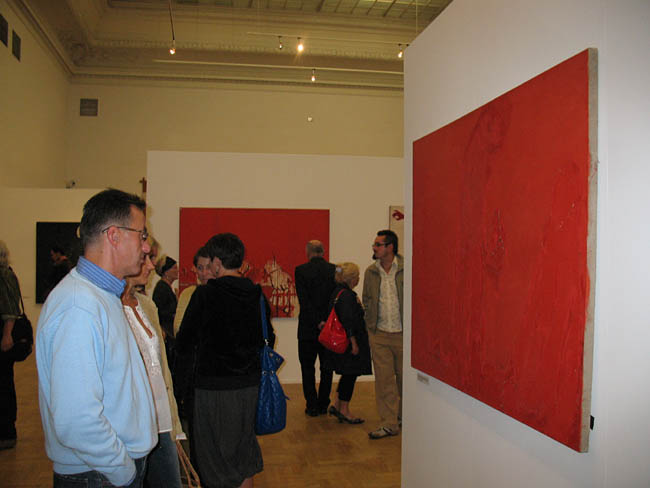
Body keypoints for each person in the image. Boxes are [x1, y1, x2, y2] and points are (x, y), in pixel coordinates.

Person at [36, 188, 157, 487]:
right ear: (114, 236)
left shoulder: (101, 295)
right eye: (142, 235)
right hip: (98, 473)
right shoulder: (79, 306)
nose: (146, 247)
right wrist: (122, 471)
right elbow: (76, 419)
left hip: (104, 469)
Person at [176, 233, 275, 488]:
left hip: (213, 388)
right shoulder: (256, 294)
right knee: (243, 452)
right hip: (249, 385)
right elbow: (268, 338)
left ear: (218, 263)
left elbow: (184, 343)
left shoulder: (205, 295)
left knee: (213, 459)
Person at [122, 252, 184, 488]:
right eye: (144, 258)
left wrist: (174, 424)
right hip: (131, 427)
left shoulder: (147, 305)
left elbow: (162, 371)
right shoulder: (107, 307)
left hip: (161, 421)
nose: (150, 266)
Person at [362, 229, 404, 440]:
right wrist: (370, 326)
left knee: (405, 381)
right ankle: (389, 423)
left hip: (403, 335)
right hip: (379, 334)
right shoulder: (371, 272)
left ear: (390, 247)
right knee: (384, 381)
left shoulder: (406, 268)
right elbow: (367, 299)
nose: (374, 248)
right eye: (375, 244)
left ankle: (404, 417)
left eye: (378, 244)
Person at [322, 262, 372, 424]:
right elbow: (348, 321)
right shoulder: (348, 296)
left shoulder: (337, 292)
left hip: (343, 343)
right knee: (350, 375)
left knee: (347, 374)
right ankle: (344, 410)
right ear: (351, 279)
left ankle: (337, 404)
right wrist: (354, 343)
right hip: (350, 343)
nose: (358, 279)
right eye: (357, 276)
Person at [294, 240, 336, 416]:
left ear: (308, 252)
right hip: (329, 327)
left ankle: (311, 405)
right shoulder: (335, 269)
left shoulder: (300, 270)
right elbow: (335, 298)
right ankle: (323, 403)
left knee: (307, 368)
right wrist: (325, 322)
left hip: (307, 328)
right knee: (327, 368)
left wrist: (317, 321)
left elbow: (304, 301)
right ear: (323, 252)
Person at [0, 241, 23, 450]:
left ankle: (7, 431)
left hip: (2, 335)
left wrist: (7, 335)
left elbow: (10, 310)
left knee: (4, 384)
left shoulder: (5, 275)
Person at [153, 255, 179, 341]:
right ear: (166, 272)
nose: (177, 270)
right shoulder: (162, 289)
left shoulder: (167, 288)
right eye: (174, 268)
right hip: (166, 335)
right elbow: (162, 313)